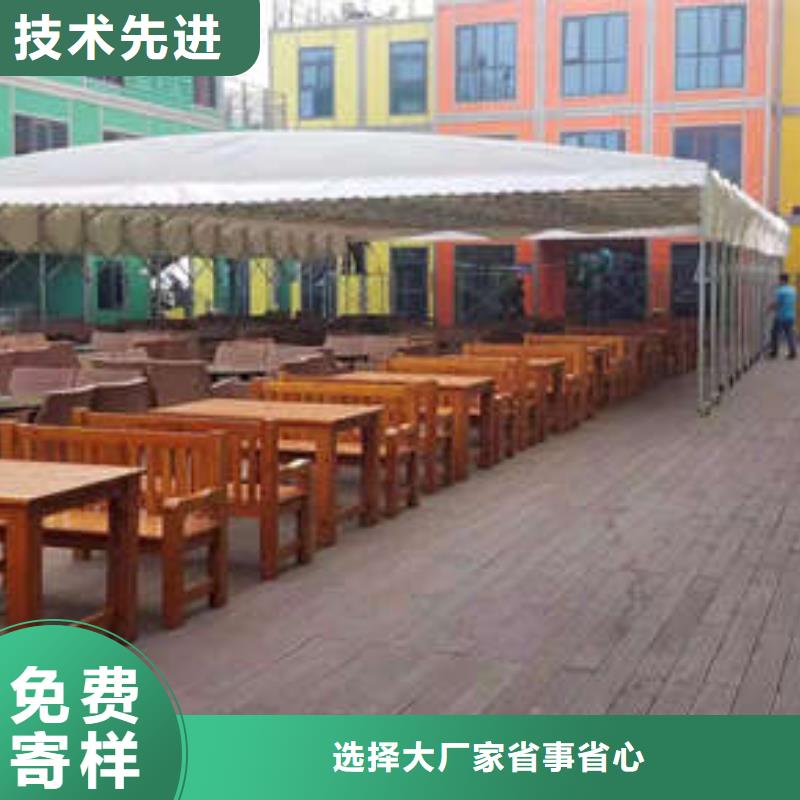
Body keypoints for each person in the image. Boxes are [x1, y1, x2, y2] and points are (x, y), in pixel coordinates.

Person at [769, 273, 797, 359]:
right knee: (790, 334)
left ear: (783, 280)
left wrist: (770, 308)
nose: (779, 282)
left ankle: (774, 352)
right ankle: (793, 352)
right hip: (791, 315)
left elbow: (778, 303)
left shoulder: (780, 291)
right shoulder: (793, 290)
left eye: (779, 280)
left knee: (774, 333)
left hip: (781, 316)